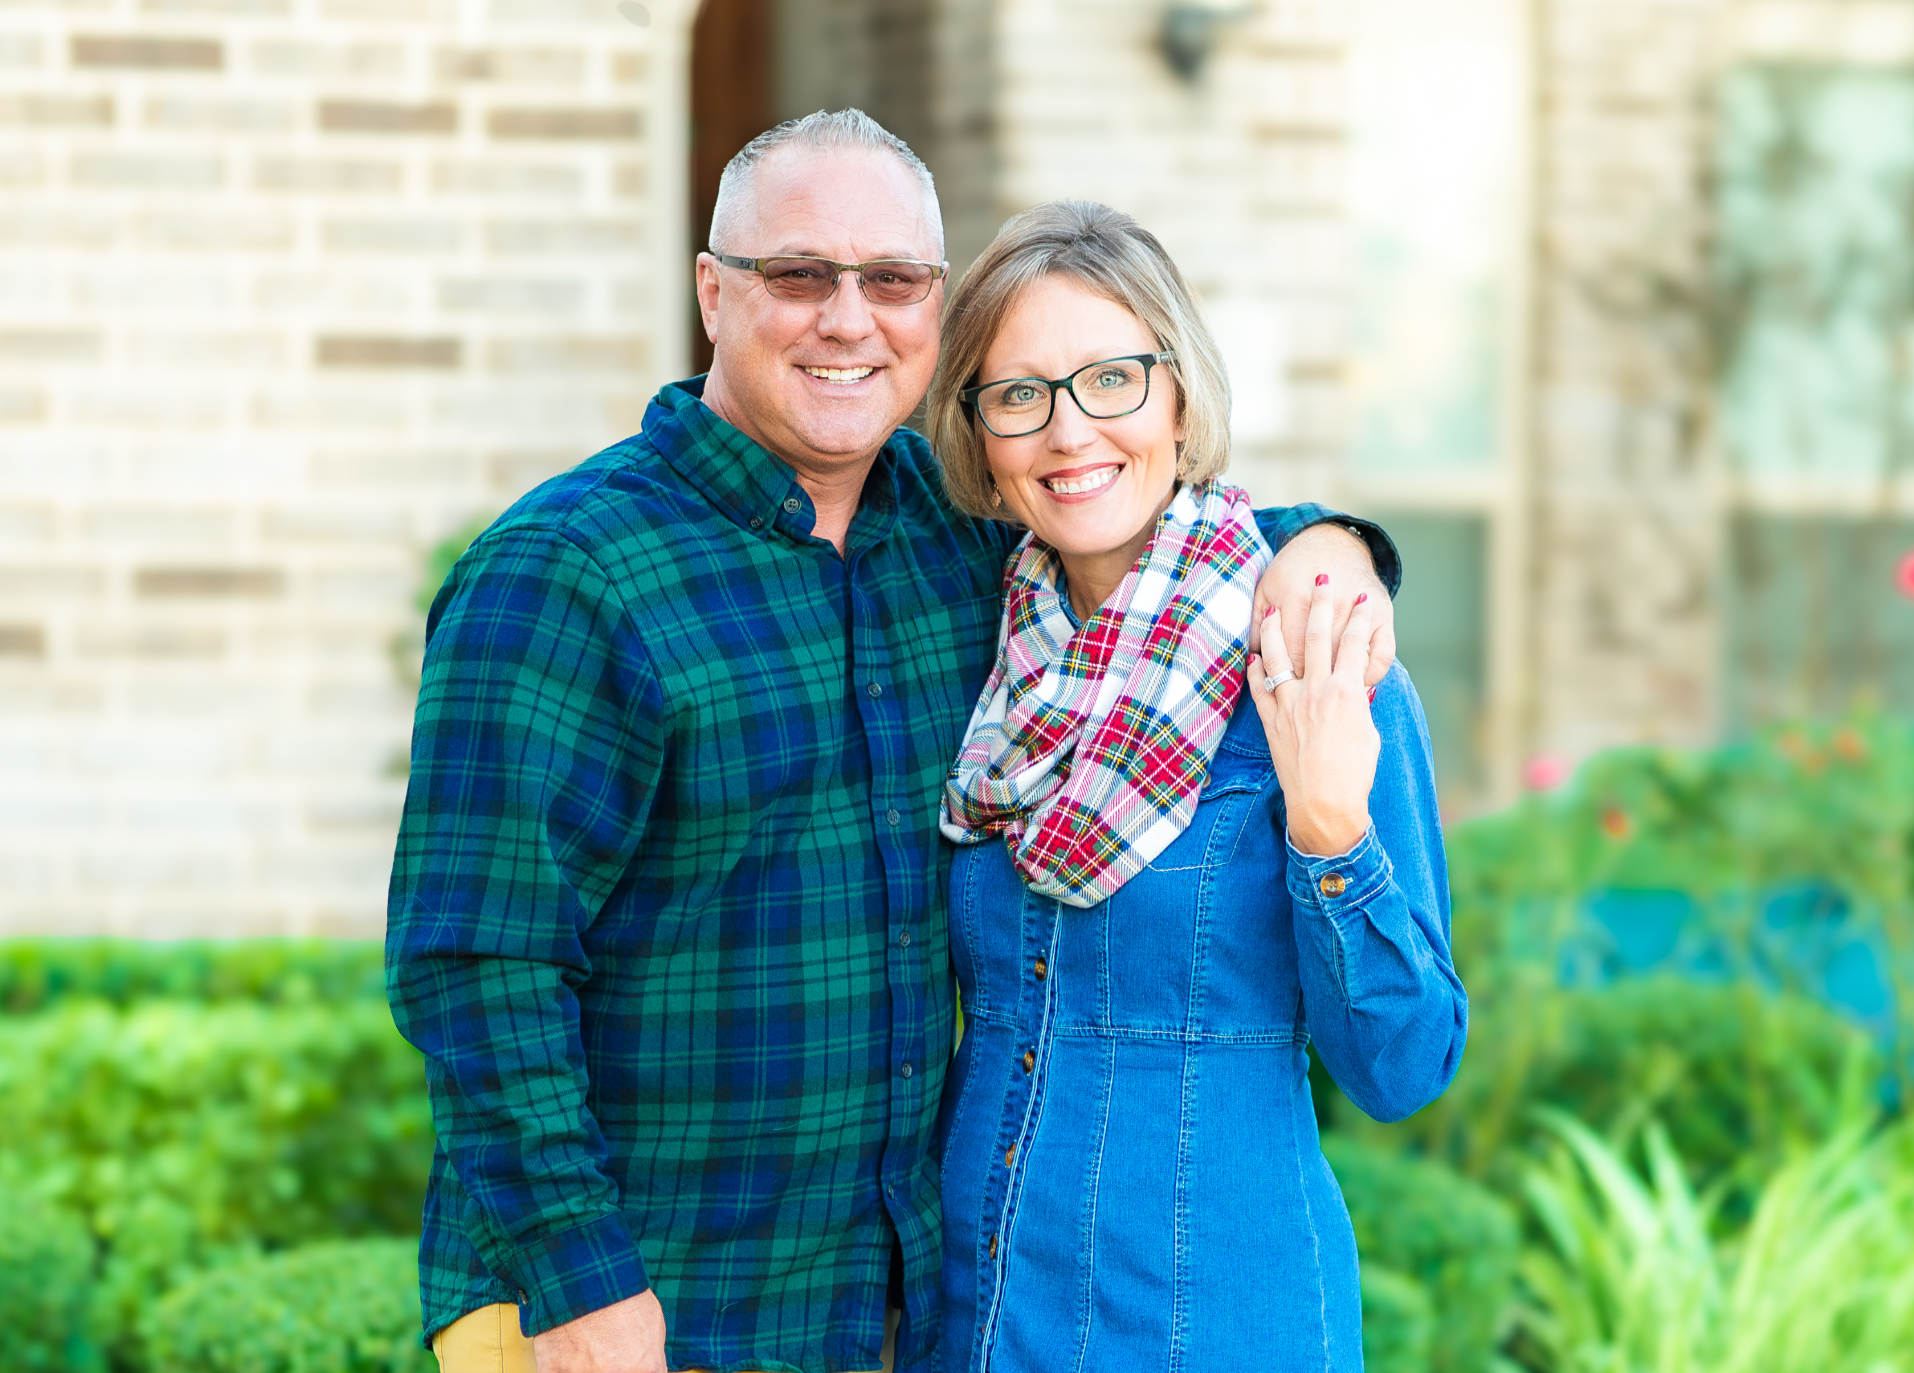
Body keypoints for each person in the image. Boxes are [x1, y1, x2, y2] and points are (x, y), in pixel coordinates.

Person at [386, 111, 1401, 1373]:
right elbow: (474, 963)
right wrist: (582, 1287)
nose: (848, 318)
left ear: (933, 309)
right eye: (799, 274)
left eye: (895, 281)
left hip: (882, 1312)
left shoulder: (961, 548)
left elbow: (1150, 521)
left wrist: (1333, 547)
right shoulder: (564, 573)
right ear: (713, 292)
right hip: (630, 1305)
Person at [928, 201, 1469, 1372]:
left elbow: (1405, 1064)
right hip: (973, 1308)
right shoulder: (983, 661)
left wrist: (1331, 830)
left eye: (1112, 377)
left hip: (1206, 1318)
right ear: (979, 433)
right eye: (1019, 394)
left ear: (1181, 394)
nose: (1070, 432)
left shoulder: (1318, 657)